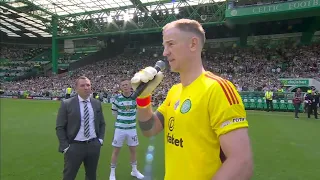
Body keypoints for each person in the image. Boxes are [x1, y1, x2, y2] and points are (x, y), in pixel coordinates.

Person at [131, 19, 253, 180]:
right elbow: (149, 129)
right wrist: (144, 98)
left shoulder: (217, 89)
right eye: (164, 46)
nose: (164, 52)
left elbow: (242, 163)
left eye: (171, 44)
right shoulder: (174, 91)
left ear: (193, 44)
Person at [56, 76, 106, 180]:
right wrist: (65, 147)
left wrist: (100, 140)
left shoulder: (96, 103)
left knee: (91, 176)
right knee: (69, 176)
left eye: (88, 85)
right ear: (76, 88)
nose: (86, 87)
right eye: (82, 85)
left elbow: (102, 123)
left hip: (93, 145)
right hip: (74, 147)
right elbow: (60, 127)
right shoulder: (67, 104)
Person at [109, 79, 144, 180]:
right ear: (121, 87)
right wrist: (122, 122)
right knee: (116, 150)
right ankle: (112, 173)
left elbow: (138, 110)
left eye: (126, 85)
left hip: (132, 129)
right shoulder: (117, 98)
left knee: (133, 150)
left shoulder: (136, 98)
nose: (125, 86)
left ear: (130, 86)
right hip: (120, 129)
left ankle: (134, 170)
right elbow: (114, 113)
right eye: (123, 85)